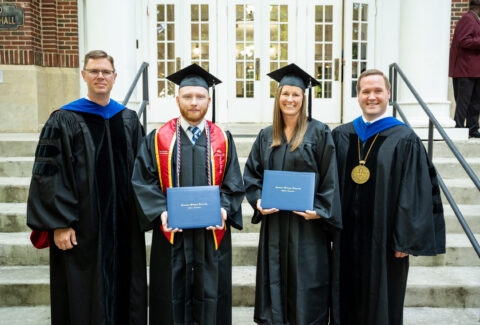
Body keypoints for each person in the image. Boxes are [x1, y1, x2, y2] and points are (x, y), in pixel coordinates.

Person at [26, 50, 147, 325]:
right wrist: (59, 223)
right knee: (83, 297)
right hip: (81, 230)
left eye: (106, 72)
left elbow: (144, 171)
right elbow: (48, 176)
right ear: (84, 75)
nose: (100, 76)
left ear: (114, 78)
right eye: (94, 71)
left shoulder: (127, 119)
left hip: (123, 228)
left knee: (125, 294)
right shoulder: (64, 119)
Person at [131, 64, 245, 325]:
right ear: (177, 99)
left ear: (209, 99)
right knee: (170, 297)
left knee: (212, 296)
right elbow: (143, 181)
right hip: (173, 236)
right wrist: (161, 212)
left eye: (200, 97)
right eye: (188, 96)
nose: (194, 103)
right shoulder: (157, 138)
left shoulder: (223, 139)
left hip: (211, 236)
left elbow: (233, 184)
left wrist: (224, 209)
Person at [330, 69, 446, 325]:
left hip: (384, 242)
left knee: (383, 303)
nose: (372, 97)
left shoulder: (405, 139)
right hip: (345, 239)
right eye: (365, 91)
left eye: (377, 91)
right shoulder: (341, 135)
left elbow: (414, 193)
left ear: (389, 94)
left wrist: (404, 240)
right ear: (357, 95)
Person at [243, 63, 342, 325]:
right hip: (275, 225)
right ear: (278, 97)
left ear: (303, 98)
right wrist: (259, 200)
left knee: (306, 285)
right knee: (274, 282)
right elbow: (251, 175)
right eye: (285, 94)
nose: (290, 99)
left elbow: (330, 175)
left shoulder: (319, 132)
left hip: (306, 227)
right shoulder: (266, 135)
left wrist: (320, 210)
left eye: (295, 94)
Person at [449, 0, 480, 138]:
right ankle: (459, 128)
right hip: (465, 69)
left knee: (476, 102)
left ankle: (472, 129)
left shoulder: (475, 20)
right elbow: (463, 40)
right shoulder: (467, 19)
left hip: (475, 69)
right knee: (464, 102)